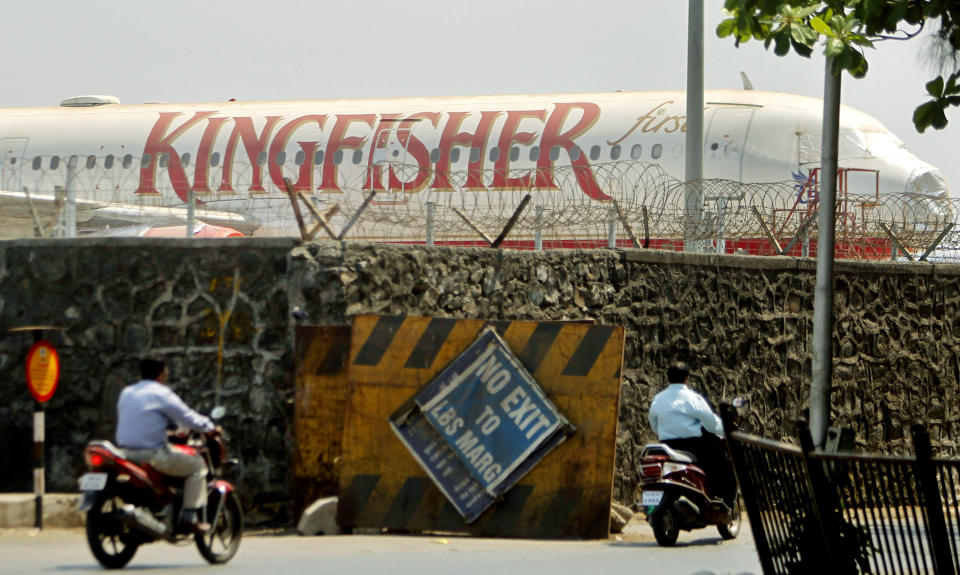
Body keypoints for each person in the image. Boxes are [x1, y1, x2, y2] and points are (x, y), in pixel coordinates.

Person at [116, 358, 217, 533]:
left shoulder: (127, 392)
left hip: (125, 454)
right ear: (161, 374)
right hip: (153, 454)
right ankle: (189, 518)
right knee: (198, 465)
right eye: (165, 374)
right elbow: (186, 416)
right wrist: (210, 427)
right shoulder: (161, 393)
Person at [647, 361, 737, 512]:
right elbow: (711, 424)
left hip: (667, 446)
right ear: (687, 378)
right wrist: (725, 431)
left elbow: (653, 423)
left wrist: (666, 433)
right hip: (694, 446)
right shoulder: (692, 398)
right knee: (723, 464)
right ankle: (725, 503)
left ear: (668, 378)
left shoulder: (658, 399)